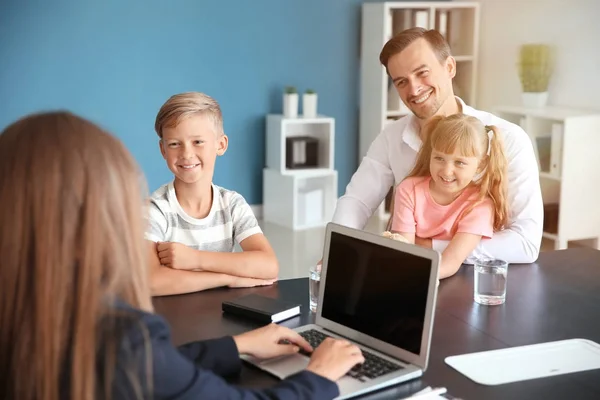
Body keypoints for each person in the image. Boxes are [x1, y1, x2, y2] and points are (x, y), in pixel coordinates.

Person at [0, 111, 365, 400]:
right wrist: (318, 376)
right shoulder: (124, 336)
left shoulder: (34, 317)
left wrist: (233, 346)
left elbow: (151, 367)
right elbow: (144, 349)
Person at [332, 28, 543, 265]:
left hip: (484, 281)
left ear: (450, 67)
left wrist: (429, 247)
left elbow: (526, 243)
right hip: (409, 274)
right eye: (402, 82)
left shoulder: (510, 139)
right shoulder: (392, 136)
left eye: (422, 73)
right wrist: (337, 252)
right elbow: (357, 200)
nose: (413, 89)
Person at [147, 92, 279, 296]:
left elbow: (268, 265)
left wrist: (195, 259)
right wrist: (227, 279)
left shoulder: (233, 204)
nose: (186, 154)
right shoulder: (154, 209)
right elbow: (149, 281)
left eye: (197, 142)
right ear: (163, 149)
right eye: (174, 144)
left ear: (221, 144)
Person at [389, 114, 509, 278]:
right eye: (439, 158)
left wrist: (418, 277)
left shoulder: (480, 205)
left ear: (481, 164)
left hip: (454, 280)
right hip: (414, 274)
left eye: (459, 162)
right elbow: (405, 252)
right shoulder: (408, 190)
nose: (446, 171)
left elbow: (450, 262)